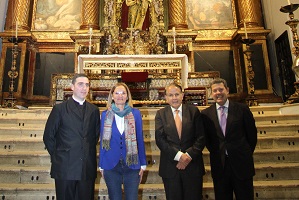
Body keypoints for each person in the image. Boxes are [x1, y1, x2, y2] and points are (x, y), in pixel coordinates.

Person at [43, 73, 100, 200]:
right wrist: (59, 156)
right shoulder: (60, 109)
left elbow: (94, 136)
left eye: (87, 85)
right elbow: (48, 136)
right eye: (80, 84)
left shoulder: (94, 110)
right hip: (65, 167)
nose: (84, 88)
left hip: (86, 168)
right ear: (72, 87)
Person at [201, 78, 257, 200]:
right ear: (211, 94)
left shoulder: (242, 109)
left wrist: (243, 152)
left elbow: (251, 136)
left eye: (221, 89)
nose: (218, 93)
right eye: (214, 91)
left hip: (241, 164)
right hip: (220, 166)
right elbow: (208, 140)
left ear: (227, 90)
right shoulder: (206, 114)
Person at [155, 82, 206, 200]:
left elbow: (201, 137)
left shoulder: (194, 112)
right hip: (171, 167)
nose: (174, 98)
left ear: (182, 95)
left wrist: (188, 155)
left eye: (177, 94)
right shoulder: (161, 114)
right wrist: (179, 156)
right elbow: (160, 139)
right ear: (166, 97)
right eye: (171, 95)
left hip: (192, 165)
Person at [98, 82, 147, 200]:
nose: (120, 96)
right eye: (117, 93)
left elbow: (139, 138)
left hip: (132, 164)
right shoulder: (105, 115)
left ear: (127, 96)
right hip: (111, 165)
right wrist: (101, 165)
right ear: (112, 96)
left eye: (123, 93)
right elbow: (103, 142)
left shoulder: (135, 113)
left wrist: (143, 164)